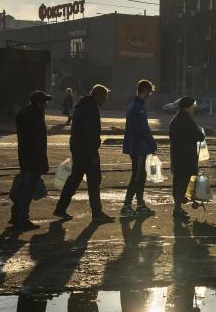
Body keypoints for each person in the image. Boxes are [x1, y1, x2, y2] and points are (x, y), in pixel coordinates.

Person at [54, 84, 114, 223]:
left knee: (74, 179)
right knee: (94, 181)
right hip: (87, 151)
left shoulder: (81, 105)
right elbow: (90, 133)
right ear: (98, 95)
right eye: (104, 97)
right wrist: (93, 154)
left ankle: (60, 208)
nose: (105, 100)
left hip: (78, 148)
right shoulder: (90, 108)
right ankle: (97, 213)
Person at [10, 91, 51, 229]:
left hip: (24, 157)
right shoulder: (36, 117)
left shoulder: (24, 114)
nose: (46, 104)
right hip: (34, 159)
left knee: (22, 188)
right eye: (44, 101)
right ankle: (22, 218)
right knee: (28, 191)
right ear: (39, 103)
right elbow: (39, 143)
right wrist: (43, 163)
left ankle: (15, 215)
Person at [121, 79, 157, 217]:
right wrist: (152, 143)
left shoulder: (134, 105)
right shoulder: (138, 107)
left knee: (141, 175)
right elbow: (142, 129)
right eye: (150, 92)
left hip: (136, 146)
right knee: (137, 176)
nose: (150, 95)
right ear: (145, 90)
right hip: (138, 148)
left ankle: (140, 204)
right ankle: (127, 205)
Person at [168, 96, 205, 221]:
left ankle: (180, 206)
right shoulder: (187, 120)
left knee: (178, 182)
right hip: (186, 157)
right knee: (184, 182)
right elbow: (199, 136)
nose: (194, 108)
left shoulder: (175, 119)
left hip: (176, 156)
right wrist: (201, 132)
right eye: (193, 106)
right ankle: (178, 209)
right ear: (188, 107)